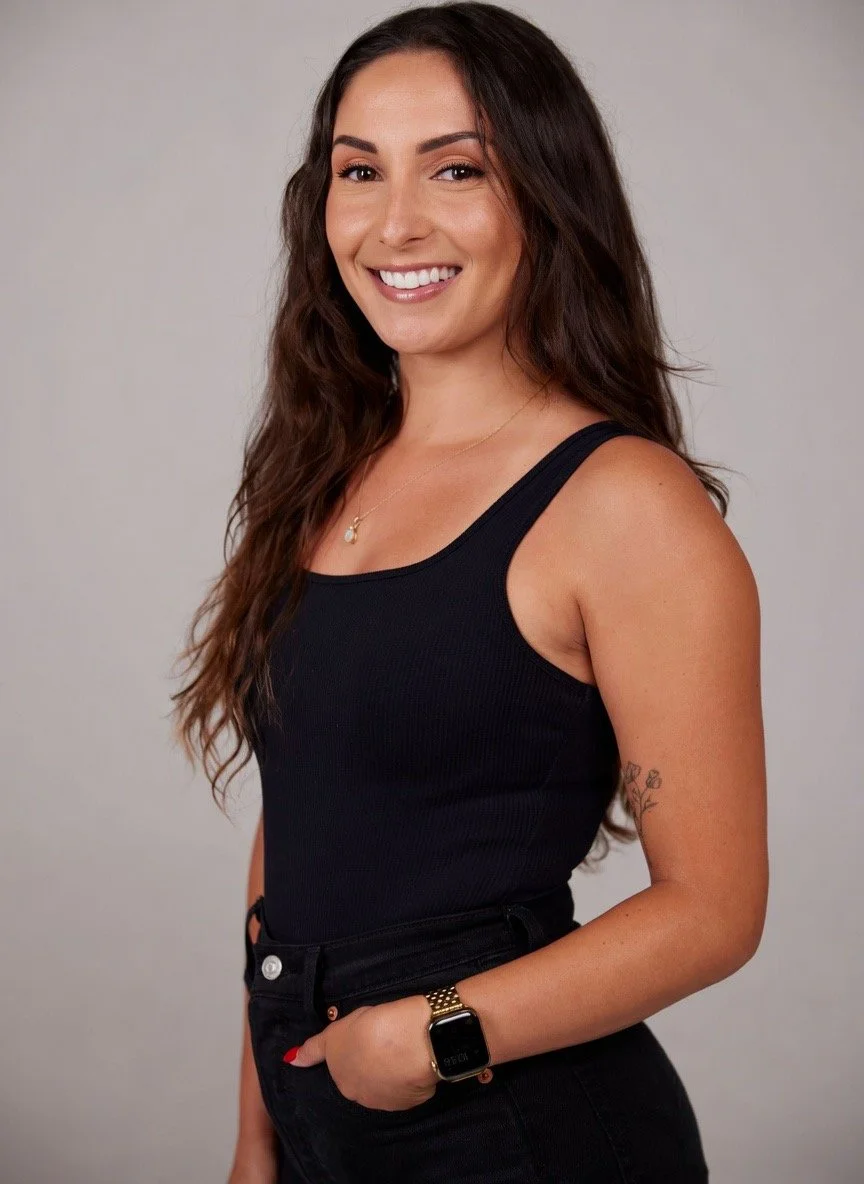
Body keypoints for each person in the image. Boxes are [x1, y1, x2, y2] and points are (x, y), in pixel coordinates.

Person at [170, 4, 768, 1182]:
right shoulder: (326, 473)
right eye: (360, 170)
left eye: (457, 169)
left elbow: (714, 906)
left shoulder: (622, 502)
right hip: (319, 1113)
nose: (396, 222)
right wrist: (257, 1139)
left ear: (546, 194)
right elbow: (297, 824)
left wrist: (435, 1031)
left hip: (517, 1132)